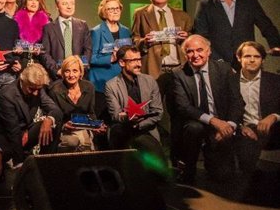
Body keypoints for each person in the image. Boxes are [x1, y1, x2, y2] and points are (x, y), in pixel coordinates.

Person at [169, 35, 244, 184]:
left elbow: (237, 101)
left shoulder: (223, 68)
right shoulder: (178, 73)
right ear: (185, 55)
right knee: (194, 128)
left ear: (209, 51)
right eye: (190, 51)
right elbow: (183, 107)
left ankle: (213, 159)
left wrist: (229, 126)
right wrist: (214, 121)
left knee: (223, 176)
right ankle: (188, 168)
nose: (195, 55)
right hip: (196, 123)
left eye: (200, 50)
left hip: (223, 124)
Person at [194, 0, 280, 69]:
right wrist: (218, 61)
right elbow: (202, 37)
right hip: (217, 65)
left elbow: (267, 26)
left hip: (248, 62)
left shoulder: (250, 2)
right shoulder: (205, 6)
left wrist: (275, 45)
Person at [104, 46, 165, 163]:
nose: (139, 64)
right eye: (133, 60)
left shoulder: (150, 81)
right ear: (121, 62)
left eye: (139, 59)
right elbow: (115, 115)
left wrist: (139, 125)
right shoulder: (111, 85)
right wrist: (128, 117)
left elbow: (158, 112)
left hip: (146, 128)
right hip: (123, 129)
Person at [0, 63, 62, 167]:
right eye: (32, 89)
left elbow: (56, 110)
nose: (35, 93)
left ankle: (46, 164)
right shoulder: (7, 95)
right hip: (7, 138)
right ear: (22, 81)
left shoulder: (36, 88)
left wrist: (49, 120)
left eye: (38, 89)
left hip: (24, 130)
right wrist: (20, 163)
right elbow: (13, 131)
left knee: (52, 124)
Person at [234, 41, 280, 174]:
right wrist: (240, 126)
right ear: (239, 58)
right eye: (247, 56)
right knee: (247, 172)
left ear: (263, 59)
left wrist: (273, 116)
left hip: (273, 128)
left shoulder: (275, 80)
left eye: (257, 56)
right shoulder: (230, 80)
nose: (252, 60)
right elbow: (224, 109)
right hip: (244, 130)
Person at [131, 0, 192, 79]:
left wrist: (187, 38)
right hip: (153, 69)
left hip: (179, 68)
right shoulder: (140, 14)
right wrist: (144, 41)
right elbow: (134, 40)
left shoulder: (182, 15)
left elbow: (192, 37)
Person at [47, 56, 104, 152]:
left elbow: (91, 113)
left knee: (85, 144)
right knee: (73, 141)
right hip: (62, 131)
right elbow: (52, 117)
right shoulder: (55, 90)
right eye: (67, 71)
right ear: (62, 73)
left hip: (83, 128)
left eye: (75, 71)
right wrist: (64, 125)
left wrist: (96, 125)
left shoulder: (89, 87)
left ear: (80, 73)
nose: (71, 75)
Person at [41, 0, 91, 79]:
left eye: (72, 3)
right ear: (57, 6)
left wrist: (81, 68)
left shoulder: (82, 25)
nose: (69, 7)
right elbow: (45, 53)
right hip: (58, 77)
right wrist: (56, 70)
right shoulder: (49, 28)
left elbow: (87, 50)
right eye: (65, 3)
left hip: (79, 77)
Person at [89, 0, 131, 94]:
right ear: (104, 12)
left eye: (117, 8)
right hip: (102, 81)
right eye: (111, 9)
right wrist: (111, 58)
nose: (115, 11)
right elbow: (91, 58)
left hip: (122, 81)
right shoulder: (96, 32)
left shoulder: (126, 31)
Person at [13, 0, 50, 68]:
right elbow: (12, 41)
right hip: (21, 61)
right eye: (30, 0)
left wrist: (39, 48)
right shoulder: (15, 20)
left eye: (36, 0)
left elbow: (48, 44)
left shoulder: (47, 21)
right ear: (25, 2)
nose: (33, 2)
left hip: (40, 62)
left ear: (39, 3)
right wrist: (17, 47)